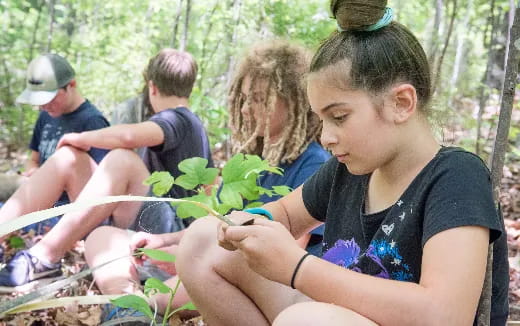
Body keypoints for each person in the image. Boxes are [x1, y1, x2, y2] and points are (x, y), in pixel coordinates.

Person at [174, 1, 509, 325]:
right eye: (321, 120)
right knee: (202, 242)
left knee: (305, 321)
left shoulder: (456, 177)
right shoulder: (349, 170)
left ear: (401, 103)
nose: (325, 137)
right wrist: (253, 222)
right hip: (328, 314)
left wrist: (297, 267)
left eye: (339, 117)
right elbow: (288, 215)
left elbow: (443, 315)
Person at [83, 40, 330, 315]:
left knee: (203, 256)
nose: (247, 109)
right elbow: (214, 223)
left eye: (259, 99)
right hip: (209, 262)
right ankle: (128, 304)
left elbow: (285, 259)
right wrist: (165, 243)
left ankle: (142, 306)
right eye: (245, 98)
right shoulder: (249, 162)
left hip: (255, 279)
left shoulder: (314, 165)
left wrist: (191, 253)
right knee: (102, 238)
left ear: (296, 100)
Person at [0, 48, 213, 288]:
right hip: (142, 229)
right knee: (68, 158)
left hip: (169, 236)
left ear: (151, 87)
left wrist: (83, 137)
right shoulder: (189, 126)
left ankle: (44, 257)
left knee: (122, 159)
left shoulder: (180, 119)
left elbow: (129, 136)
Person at [15, 53, 111, 231]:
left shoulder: (93, 122)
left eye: (49, 99)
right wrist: (33, 172)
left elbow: (103, 185)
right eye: (39, 102)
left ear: (71, 85)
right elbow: (33, 158)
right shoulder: (46, 115)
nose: (43, 106)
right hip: (38, 200)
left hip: (65, 212)